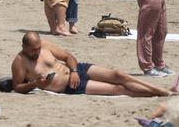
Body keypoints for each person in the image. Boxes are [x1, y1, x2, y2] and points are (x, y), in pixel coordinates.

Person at [12, 31, 170, 97]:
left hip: (77, 70)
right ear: (24, 47)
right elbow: (17, 87)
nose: (37, 52)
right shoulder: (19, 62)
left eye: (38, 48)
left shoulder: (45, 45)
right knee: (118, 89)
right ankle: (155, 93)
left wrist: (73, 71)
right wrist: (36, 84)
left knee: (118, 75)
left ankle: (159, 89)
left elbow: (68, 57)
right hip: (69, 87)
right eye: (33, 50)